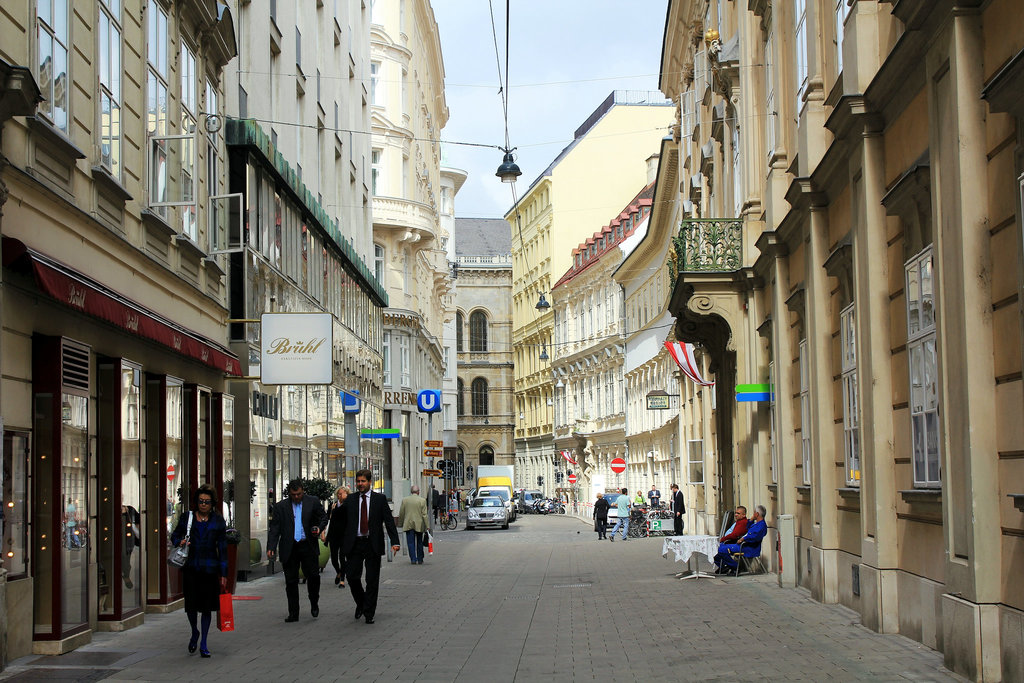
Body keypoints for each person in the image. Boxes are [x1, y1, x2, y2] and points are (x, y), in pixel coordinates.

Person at [170, 485, 228, 658]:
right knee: (191, 607)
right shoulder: (187, 517)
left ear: (212, 504)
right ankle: (194, 631)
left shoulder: (218, 521)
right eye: (201, 501)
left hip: (210, 569)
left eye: (207, 502)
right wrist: (180, 541)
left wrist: (224, 573)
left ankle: (203, 642)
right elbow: (174, 536)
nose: (203, 505)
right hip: (191, 568)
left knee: (207, 607)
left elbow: (223, 549)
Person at [339, 469, 400, 624]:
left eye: (363, 481)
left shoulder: (379, 499)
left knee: (372, 580)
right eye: (358, 481)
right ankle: (361, 602)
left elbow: (388, 520)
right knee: (352, 577)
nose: (360, 484)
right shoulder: (351, 500)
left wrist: (395, 541)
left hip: (372, 543)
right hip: (355, 544)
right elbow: (341, 522)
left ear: (369, 482)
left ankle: (369, 613)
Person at [267, 479, 327, 622]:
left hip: (308, 545)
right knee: (291, 581)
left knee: (313, 577)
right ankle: (294, 613)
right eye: (293, 495)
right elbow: (274, 528)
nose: (296, 497)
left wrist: (319, 528)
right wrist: (271, 547)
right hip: (290, 547)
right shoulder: (281, 507)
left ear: (303, 491)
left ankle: (314, 602)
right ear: (289, 493)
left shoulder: (312, 501)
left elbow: (323, 516)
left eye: (299, 494)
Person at [714, 505, 767, 574]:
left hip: (748, 547)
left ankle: (735, 567)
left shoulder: (761, 526)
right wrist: (751, 519)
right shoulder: (757, 524)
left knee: (721, 549)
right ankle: (728, 567)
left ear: (757, 514)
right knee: (721, 548)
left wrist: (743, 539)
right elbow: (748, 526)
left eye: (754, 513)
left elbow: (754, 537)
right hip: (745, 545)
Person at [322, 485, 349, 588]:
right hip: (333, 535)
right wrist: (324, 532)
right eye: (338, 493)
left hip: (344, 535)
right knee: (333, 558)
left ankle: (342, 580)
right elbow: (328, 519)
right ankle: (339, 572)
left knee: (342, 557)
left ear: (346, 494)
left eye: (341, 493)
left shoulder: (348, 505)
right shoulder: (333, 505)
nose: (339, 495)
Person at [397, 485, 429, 565]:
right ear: (418, 492)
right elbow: (424, 514)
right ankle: (420, 559)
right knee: (419, 542)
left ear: (411, 492)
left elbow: (401, 513)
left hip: (408, 524)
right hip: (419, 524)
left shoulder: (405, 500)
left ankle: (413, 559)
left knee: (410, 542)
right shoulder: (422, 500)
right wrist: (427, 525)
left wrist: (400, 523)